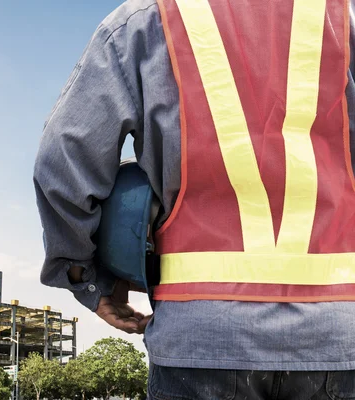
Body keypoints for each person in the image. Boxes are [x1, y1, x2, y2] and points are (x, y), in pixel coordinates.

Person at [33, 0, 355, 398]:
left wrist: (86, 277)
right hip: (339, 337)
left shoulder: (143, 20)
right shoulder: (342, 17)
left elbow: (63, 160)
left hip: (199, 338)